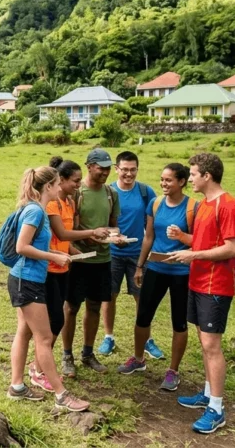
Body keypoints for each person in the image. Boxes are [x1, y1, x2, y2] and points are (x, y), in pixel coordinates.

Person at [3, 166, 90, 413]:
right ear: (49, 186)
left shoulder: (34, 208)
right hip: (27, 281)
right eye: (57, 183)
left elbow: (32, 246)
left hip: (25, 278)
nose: (60, 187)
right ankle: (62, 396)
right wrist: (53, 256)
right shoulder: (35, 211)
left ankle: (17, 386)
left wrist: (56, 253)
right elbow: (21, 247)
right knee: (43, 338)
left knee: (24, 332)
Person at [172, 154, 235, 434]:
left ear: (207, 176)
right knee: (204, 341)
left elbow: (232, 247)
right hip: (198, 282)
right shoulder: (203, 205)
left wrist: (194, 255)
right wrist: (183, 239)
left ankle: (217, 408)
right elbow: (202, 242)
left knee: (212, 346)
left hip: (216, 285)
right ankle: (206, 393)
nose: (189, 179)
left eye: (192, 174)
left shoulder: (228, 205)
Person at [117, 163, 194, 391]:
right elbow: (148, 237)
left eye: (168, 180)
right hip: (156, 268)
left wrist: (182, 236)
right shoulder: (156, 203)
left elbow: (200, 241)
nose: (163, 184)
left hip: (182, 272)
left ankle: (173, 371)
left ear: (182, 181)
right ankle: (138, 359)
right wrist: (140, 266)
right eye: (162, 179)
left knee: (179, 321)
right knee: (143, 316)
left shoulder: (193, 208)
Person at [35, 158, 108, 386]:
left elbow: (65, 240)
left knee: (55, 321)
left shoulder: (69, 202)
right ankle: (39, 368)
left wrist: (76, 252)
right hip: (49, 269)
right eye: (75, 181)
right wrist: (91, 233)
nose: (78, 185)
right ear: (62, 180)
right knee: (53, 321)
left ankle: (40, 367)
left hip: (63, 267)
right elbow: (62, 234)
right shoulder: (51, 204)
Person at [63, 148, 119, 375]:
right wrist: (87, 238)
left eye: (108, 168)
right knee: (71, 307)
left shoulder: (111, 193)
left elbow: (113, 225)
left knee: (94, 306)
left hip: (103, 259)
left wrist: (116, 237)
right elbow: (68, 228)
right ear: (89, 166)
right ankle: (67, 355)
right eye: (101, 168)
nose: (105, 172)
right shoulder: (76, 193)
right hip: (80, 258)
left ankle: (88, 353)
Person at [100, 151, 157, 357]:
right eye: (124, 169)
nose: (129, 174)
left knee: (142, 298)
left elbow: (151, 225)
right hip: (112, 253)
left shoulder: (145, 192)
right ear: (116, 169)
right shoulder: (107, 191)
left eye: (133, 170)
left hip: (138, 254)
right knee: (109, 296)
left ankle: (147, 339)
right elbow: (102, 223)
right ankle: (108, 337)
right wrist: (114, 236)